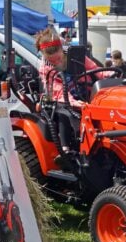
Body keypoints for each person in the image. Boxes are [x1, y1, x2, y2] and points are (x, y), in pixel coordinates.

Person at [35, 28, 105, 164]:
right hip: (57, 96)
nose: (56, 62)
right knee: (64, 109)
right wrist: (72, 102)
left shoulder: (73, 54)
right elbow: (58, 91)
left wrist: (106, 75)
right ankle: (67, 149)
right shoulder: (46, 68)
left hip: (80, 89)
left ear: (62, 49)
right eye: (52, 60)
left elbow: (93, 68)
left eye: (59, 58)